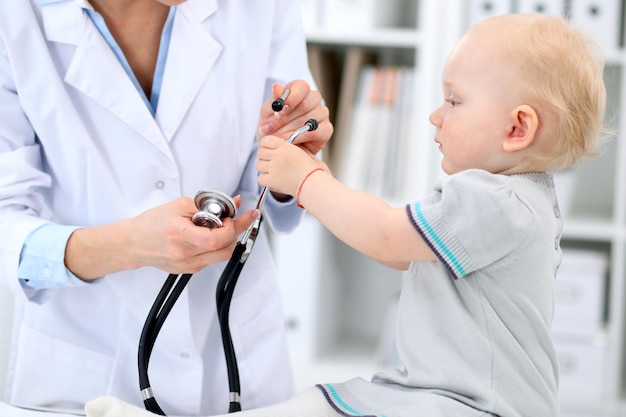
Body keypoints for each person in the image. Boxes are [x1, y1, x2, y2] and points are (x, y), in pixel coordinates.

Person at [85, 12, 607, 417]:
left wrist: (307, 182)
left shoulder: (495, 202)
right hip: (440, 396)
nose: (434, 115)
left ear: (517, 128)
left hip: (468, 405)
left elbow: (385, 237)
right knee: (315, 405)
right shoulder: (513, 199)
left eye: (454, 101)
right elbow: (402, 250)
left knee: (315, 408)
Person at [0, 0, 332, 415]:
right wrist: (127, 246)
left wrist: (288, 152)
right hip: (87, 364)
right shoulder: (13, 16)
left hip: (234, 354)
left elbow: (269, 172)